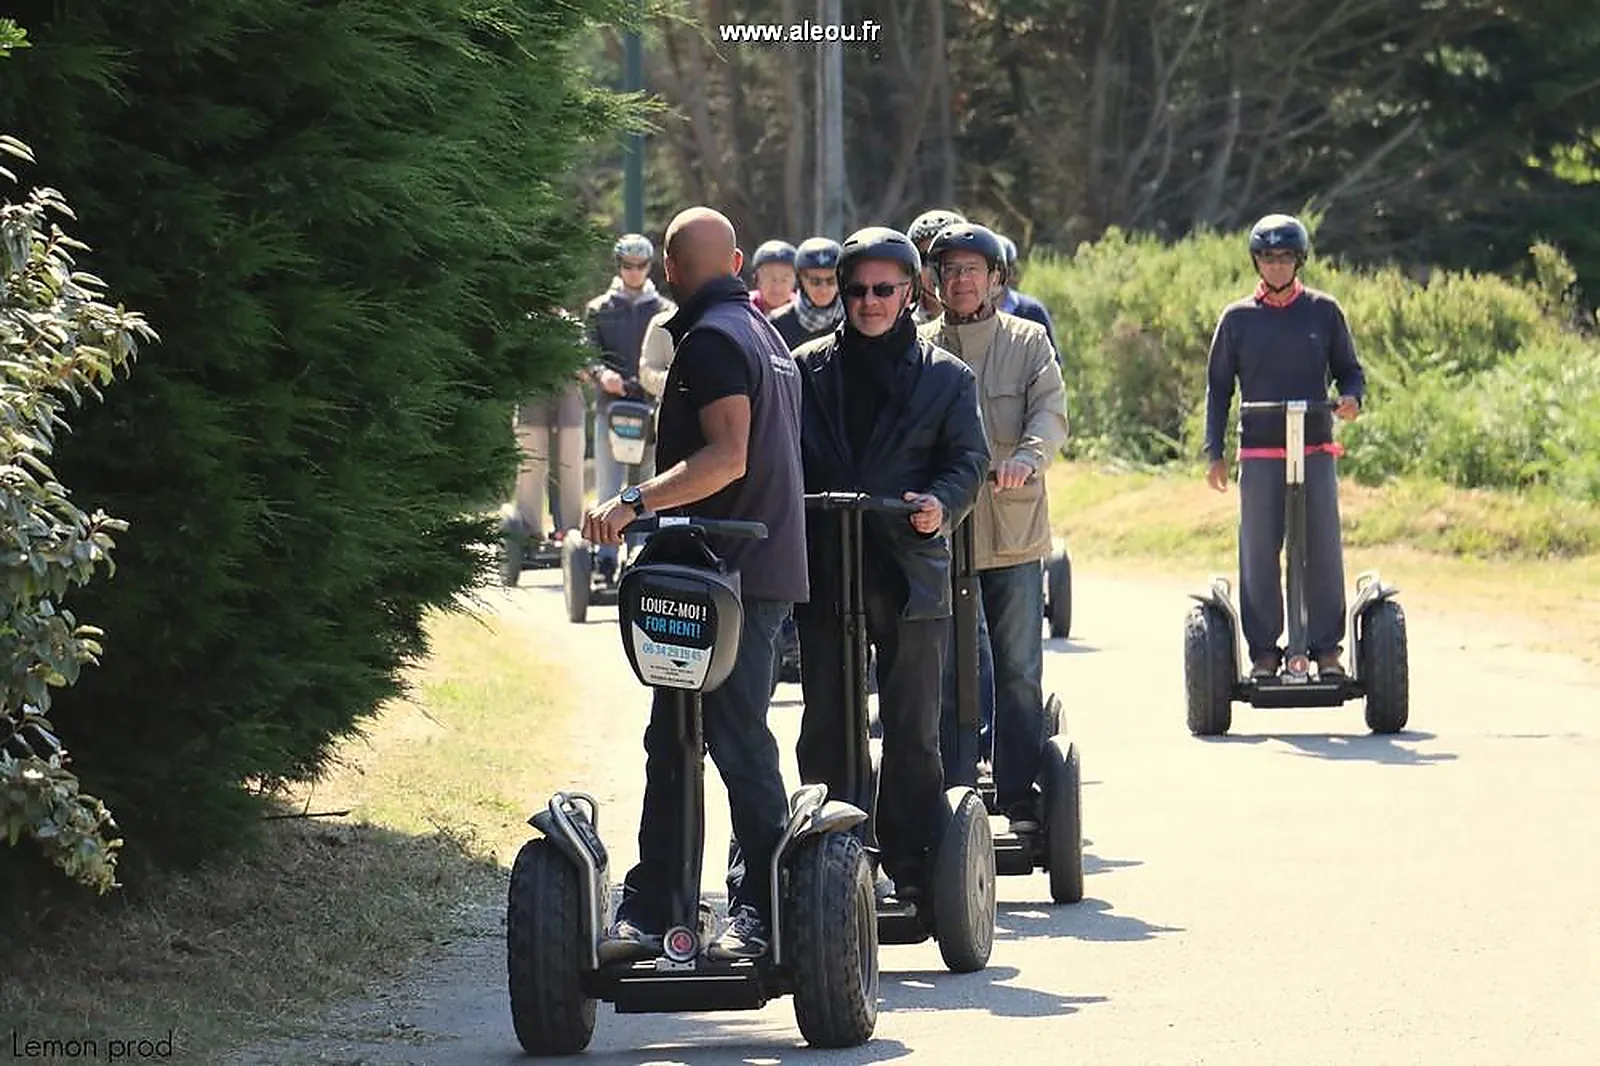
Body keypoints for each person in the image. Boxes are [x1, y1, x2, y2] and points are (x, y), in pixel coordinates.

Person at [583, 206, 808, 961]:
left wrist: (633, 500)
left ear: (673, 272)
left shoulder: (712, 339)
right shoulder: (767, 336)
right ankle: (662, 905)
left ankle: (764, 910)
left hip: (724, 573)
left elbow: (729, 458)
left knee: (729, 738)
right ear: (739, 262)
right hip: (744, 569)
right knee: (680, 736)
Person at [791, 226, 989, 904]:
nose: (869, 302)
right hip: (826, 566)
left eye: (884, 289)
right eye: (856, 291)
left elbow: (969, 460)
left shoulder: (947, 377)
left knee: (912, 730)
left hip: (909, 571)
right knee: (827, 720)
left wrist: (941, 503)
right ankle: (833, 859)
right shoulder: (804, 367)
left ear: (911, 292)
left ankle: (911, 864)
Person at [921, 222, 1068, 836]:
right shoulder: (920, 343)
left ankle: (1017, 797)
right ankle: (955, 797)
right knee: (949, 666)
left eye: (972, 270)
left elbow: (1050, 416)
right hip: (940, 531)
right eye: (949, 270)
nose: (961, 280)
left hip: (1011, 527)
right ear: (935, 282)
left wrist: (1025, 460)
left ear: (997, 278)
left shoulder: (1028, 340)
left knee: (1017, 666)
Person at [1204, 213, 1365, 678]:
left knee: (1322, 545)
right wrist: (1214, 452)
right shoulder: (1237, 319)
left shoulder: (1323, 311)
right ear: (1257, 261)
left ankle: (1326, 648)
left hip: (1314, 446)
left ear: (1299, 261)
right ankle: (1265, 654)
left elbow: (1349, 370)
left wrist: (1352, 397)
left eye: (1285, 257)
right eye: (1268, 257)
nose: (1277, 266)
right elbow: (1218, 388)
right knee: (1258, 550)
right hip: (1259, 450)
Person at [582, 233, 676, 579]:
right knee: (610, 483)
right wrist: (601, 373)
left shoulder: (665, 311)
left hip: (651, 409)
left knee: (646, 484)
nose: (634, 272)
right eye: (627, 266)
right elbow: (588, 350)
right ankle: (605, 553)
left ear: (649, 267)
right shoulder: (599, 308)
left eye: (640, 266)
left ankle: (640, 551)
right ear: (619, 267)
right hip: (611, 407)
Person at [510, 310, 587, 542]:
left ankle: (571, 530)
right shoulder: (522, 323)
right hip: (532, 398)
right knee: (530, 462)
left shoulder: (572, 326)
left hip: (568, 397)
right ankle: (529, 529)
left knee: (570, 464)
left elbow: (584, 370)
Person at [771, 237, 844, 349]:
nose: (824, 289)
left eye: (831, 280)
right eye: (815, 281)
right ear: (800, 280)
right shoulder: (776, 324)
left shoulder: (853, 322)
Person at [995, 234, 1060, 360]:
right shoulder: (967, 312)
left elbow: (1051, 364)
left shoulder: (1031, 312)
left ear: (1010, 273)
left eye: (999, 270)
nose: (994, 277)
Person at [906, 209, 966, 325]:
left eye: (948, 257)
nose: (937, 268)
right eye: (925, 259)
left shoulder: (998, 325)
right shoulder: (900, 326)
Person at [748, 239, 797, 316]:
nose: (777, 287)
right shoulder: (743, 308)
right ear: (757, 279)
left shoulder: (803, 312)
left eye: (784, 280)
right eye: (771, 278)